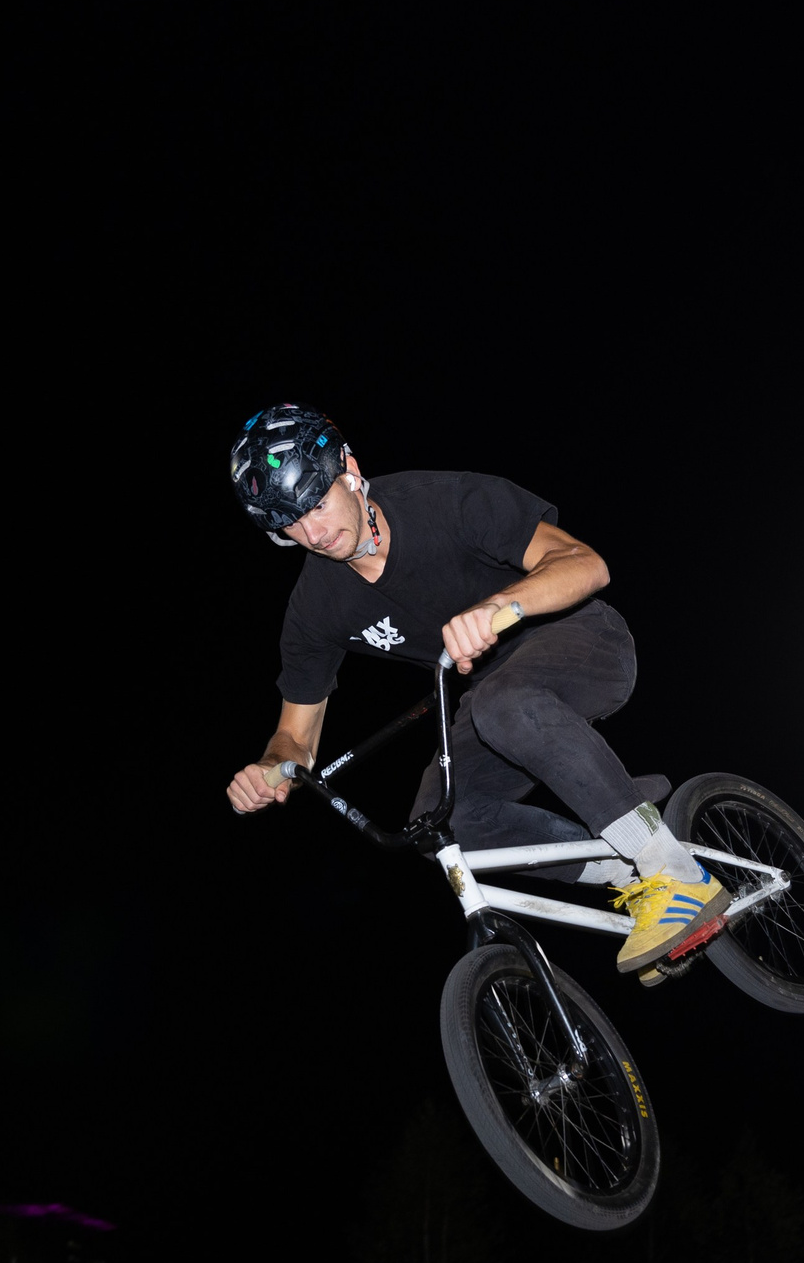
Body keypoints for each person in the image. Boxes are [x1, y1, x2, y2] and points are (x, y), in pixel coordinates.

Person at [222, 402, 726, 976]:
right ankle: (631, 872)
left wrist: (498, 607)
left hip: (581, 639)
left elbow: (585, 563)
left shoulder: (442, 502)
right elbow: (296, 735)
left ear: (349, 471)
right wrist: (271, 767)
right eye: (291, 523)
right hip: (493, 702)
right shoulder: (315, 607)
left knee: (500, 703)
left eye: (317, 504)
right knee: (441, 824)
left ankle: (675, 873)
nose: (314, 534)